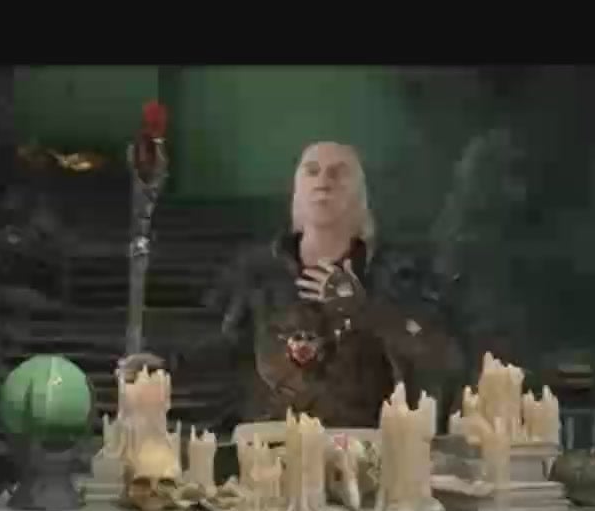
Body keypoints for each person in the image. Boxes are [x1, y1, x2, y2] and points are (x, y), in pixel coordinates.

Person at [119, 141, 468, 433]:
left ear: (361, 194)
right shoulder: (259, 271)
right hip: (268, 446)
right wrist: (164, 365)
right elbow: (227, 344)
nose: (324, 181)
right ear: (297, 189)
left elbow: (443, 356)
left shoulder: (394, 271)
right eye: (312, 171)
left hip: (361, 449)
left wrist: (365, 311)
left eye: (339, 173)